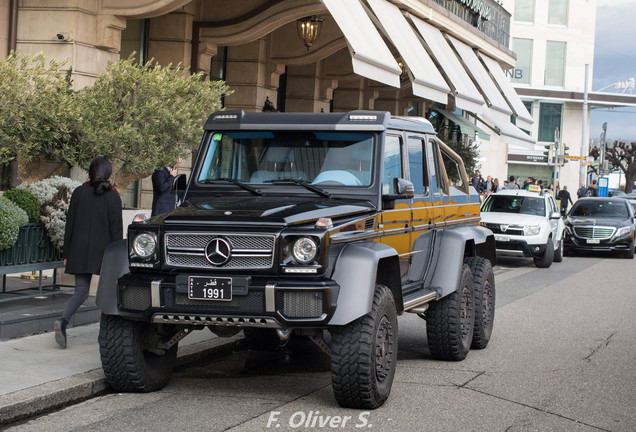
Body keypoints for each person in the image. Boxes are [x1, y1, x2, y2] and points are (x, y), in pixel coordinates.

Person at [55, 157, 122, 349]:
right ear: (108, 173)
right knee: (108, 293)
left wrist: (67, 253)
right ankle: (106, 336)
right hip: (105, 253)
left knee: (81, 292)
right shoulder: (112, 195)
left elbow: (70, 225)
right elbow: (116, 229)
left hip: (79, 249)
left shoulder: (79, 192)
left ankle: (63, 321)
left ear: (90, 172)